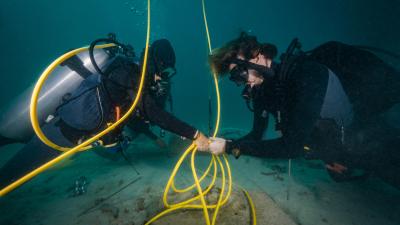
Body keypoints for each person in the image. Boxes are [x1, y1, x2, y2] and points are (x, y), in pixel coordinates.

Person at [0, 37, 210, 189]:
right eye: (164, 71)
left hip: (68, 131)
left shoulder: (129, 70)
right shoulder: (132, 75)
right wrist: (195, 134)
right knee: (12, 175)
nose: (162, 77)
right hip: (64, 133)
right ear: (159, 63)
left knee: (18, 154)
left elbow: (136, 114)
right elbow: (154, 113)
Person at [208, 32, 400, 188]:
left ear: (259, 56)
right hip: (331, 148)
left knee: (386, 165)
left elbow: (292, 147)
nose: (241, 82)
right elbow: (256, 135)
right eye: (235, 79)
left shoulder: (307, 74)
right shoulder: (262, 92)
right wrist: (223, 144)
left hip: (360, 138)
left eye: (239, 73)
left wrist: (228, 147)